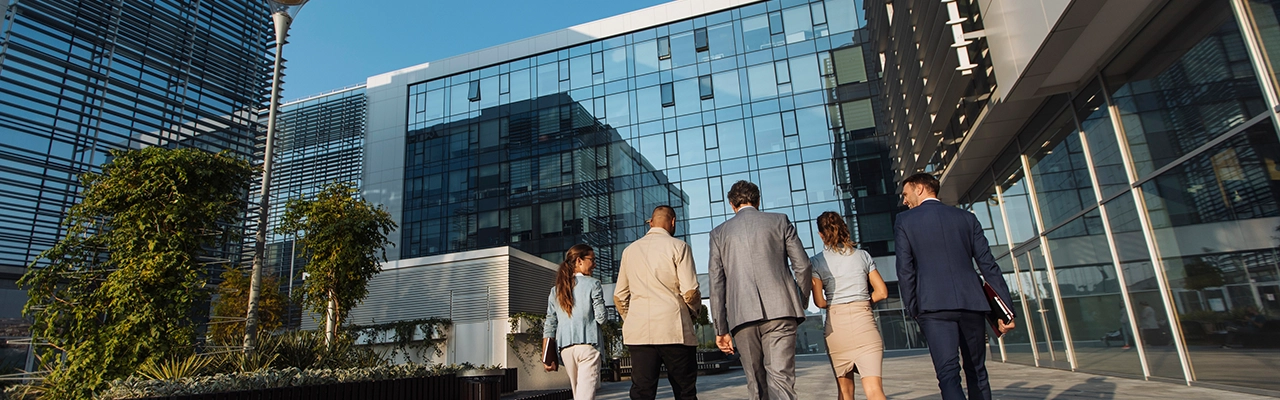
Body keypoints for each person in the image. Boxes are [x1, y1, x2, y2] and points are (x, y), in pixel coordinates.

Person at [894, 173, 1014, 400]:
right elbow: (988, 265)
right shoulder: (966, 218)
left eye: (906, 194)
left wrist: (914, 309)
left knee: (948, 375)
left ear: (919, 189)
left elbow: (905, 270)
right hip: (972, 304)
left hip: (933, 307)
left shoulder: (904, 221)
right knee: (977, 371)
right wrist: (1005, 311)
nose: (904, 200)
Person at [708, 180, 812, 400]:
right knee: (781, 382)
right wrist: (799, 299)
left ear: (731, 204)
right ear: (758, 200)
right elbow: (803, 265)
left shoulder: (719, 233)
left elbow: (716, 282)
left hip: (742, 316)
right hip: (782, 311)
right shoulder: (779, 221)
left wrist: (721, 328)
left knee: (756, 386)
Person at [614, 205, 701, 400]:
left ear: (651, 222)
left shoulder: (630, 251)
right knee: (684, 390)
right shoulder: (679, 247)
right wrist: (693, 314)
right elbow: (690, 292)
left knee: (642, 391)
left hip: (640, 332)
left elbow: (619, 296)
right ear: (672, 222)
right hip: (674, 330)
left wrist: (632, 316)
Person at [809, 211, 888, 400]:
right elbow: (882, 292)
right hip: (865, 322)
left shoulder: (817, 262)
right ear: (844, 228)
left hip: (837, 328)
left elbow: (819, 302)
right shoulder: (862, 256)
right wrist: (863, 302)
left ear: (821, 234)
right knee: (874, 390)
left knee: (845, 392)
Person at [542, 244, 605, 400]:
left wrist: (546, 355)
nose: (595, 264)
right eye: (592, 259)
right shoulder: (593, 284)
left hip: (566, 349)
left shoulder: (555, 290)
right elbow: (601, 318)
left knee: (579, 395)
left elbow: (550, 324)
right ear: (579, 261)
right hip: (588, 346)